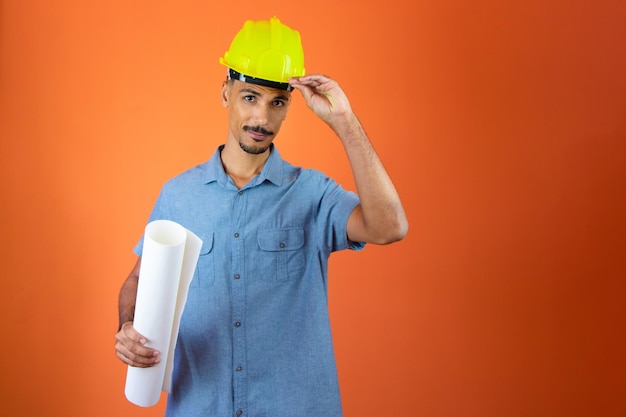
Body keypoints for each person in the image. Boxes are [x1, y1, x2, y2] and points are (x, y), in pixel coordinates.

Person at [115, 16, 408, 417]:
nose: (262, 120)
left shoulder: (313, 193)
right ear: (225, 93)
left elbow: (390, 227)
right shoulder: (178, 196)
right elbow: (138, 279)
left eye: (278, 102)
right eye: (250, 97)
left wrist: (344, 121)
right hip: (202, 406)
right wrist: (128, 327)